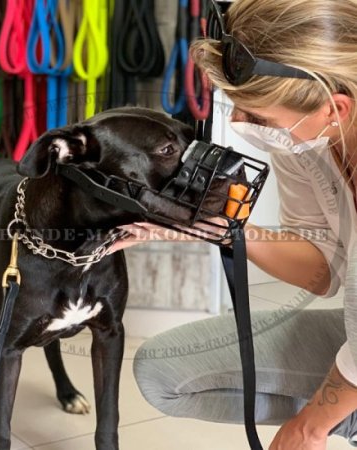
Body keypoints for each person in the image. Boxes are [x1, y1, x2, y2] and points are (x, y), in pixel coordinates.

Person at [107, 0, 357, 448]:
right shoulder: (308, 140)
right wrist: (214, 227)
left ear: (335, 109)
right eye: (237, 108)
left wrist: (309, 426)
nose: (240, 125)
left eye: (257, 117)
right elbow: (323, 271)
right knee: (162, 371)